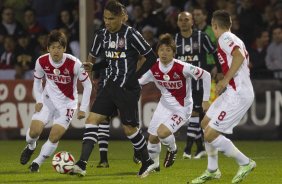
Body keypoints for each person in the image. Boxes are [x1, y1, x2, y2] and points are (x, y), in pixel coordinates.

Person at [71, 0, 157, 178]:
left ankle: (147, 161)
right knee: (92, 119)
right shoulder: (101, 34)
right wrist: (92, 67)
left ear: (121, 18)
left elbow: (151, 57)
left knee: (130, 129)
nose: (107, 22)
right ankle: (81, 164)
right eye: (105, 18)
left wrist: (136, 75)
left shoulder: (132, 34)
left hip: (127, 88)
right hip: (109, 85)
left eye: (111, 18)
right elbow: (104, 59)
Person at [191, 10, 256, 184]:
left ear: (214, 25)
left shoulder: (225, 38)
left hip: (238, 94)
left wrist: (226, 79)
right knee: (205, 124)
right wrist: (224, 76)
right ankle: (212, 170)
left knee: (211, 134)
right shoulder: (233, 38)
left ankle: (246, 163)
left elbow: (239, 56)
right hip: (232, 92)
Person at [19, 30, 92, 172]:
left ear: (64, 49)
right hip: (47, 100)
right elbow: (37, 82)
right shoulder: (42, 61)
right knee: (33, 133)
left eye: (59, 47)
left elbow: (88, 85)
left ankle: (37, 163)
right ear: (48, 48)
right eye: (52, 47)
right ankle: (31, 146)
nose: (56, 51)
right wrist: (39, 99)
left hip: (67, 104)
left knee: (54, 136)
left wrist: (83, 108)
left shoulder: (74, 63)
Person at [139, 33, 211, 175]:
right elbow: (139, 82)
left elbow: (206, 75)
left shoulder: (182, 67)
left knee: (162, 133)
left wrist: (205, 100)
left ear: (173, 52)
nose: (164, 53)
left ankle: (173, 149)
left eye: (168, 50)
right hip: (164, 105)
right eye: (161, 50)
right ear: (157, 51)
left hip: (182, 109)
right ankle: (154, 165)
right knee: (152, 138)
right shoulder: (154, 69)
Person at [175, 11, 219, 159]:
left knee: (194, 113)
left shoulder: (201, 37)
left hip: (199, 84)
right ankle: (200, 148)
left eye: (186, 19)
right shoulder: (174, 40)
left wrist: (219, 70)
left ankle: (187, 149)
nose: (183, 22)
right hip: (183, 85)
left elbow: (214, 52)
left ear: (192, 22)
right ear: (177, 23)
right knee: (198, 117)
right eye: (181, 20)